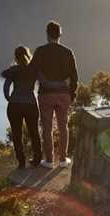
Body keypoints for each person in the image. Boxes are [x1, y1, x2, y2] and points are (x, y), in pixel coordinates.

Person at [30, 20, 78, 169]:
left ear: (47, 34)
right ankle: (63, 159)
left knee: (47, 127)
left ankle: (49, 161)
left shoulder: (39, 51)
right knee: (63, 126)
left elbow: (32, 71)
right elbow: (74, 76)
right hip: (63, 95)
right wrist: (72, 94)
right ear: (60, 34)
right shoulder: (68, 52)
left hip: (46, 94)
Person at [1, 46, 42, 170]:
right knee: (34, 132)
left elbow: (6, 87)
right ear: (28, 55)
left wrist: (9, 98)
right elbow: (43, 83)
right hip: (30, 104)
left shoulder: (13, 70)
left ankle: (21, 162)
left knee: (17, 135)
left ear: (15, 57)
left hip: (14, 105)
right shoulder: (34, 70)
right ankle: (37, 159)